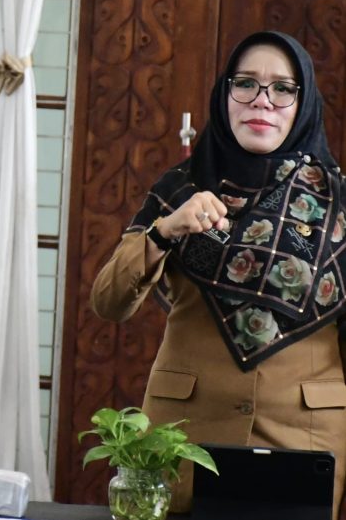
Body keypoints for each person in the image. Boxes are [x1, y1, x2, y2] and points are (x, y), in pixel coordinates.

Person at [91, 31, 346, 514]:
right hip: (185, 438)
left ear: (303, 100)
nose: (262, 102)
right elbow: (108, 301)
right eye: (245, 83)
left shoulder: (337, 202)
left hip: (305, 443)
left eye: (282, 89)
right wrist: (165, 230)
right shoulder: (182, 187)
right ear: (224, 94)